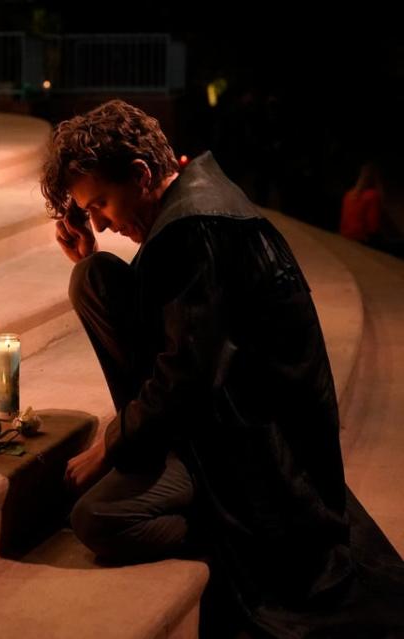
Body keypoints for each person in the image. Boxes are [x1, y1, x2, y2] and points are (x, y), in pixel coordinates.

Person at [41, 100, 404, 638]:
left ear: (141, 175)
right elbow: (170, 335)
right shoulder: (191, 207)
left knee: (98, 519)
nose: (101, 223)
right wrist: (87, 251)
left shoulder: (196, 232)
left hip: (254, 458)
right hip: (216, 425)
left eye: (101, 205)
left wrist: (112, 447)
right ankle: (174, 479)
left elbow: (185, 374)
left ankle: (227, 533)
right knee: (94, 276)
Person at [339, 163, 382, 243]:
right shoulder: (373, 195)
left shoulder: (348, 194)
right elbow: (373, 227)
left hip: (344, 235)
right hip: (361, 239)